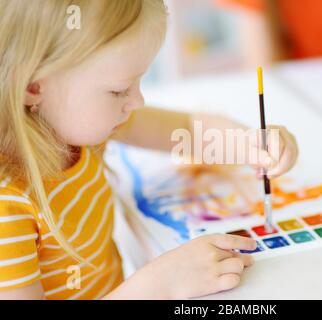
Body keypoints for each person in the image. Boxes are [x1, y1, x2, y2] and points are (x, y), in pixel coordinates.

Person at [0, 0, 298, 299]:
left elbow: (186, 129)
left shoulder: (77, 128)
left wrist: (248, 143)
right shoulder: (8, 209)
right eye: (119, 90)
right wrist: (159, 285)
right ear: (33, 87)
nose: (138, 101)